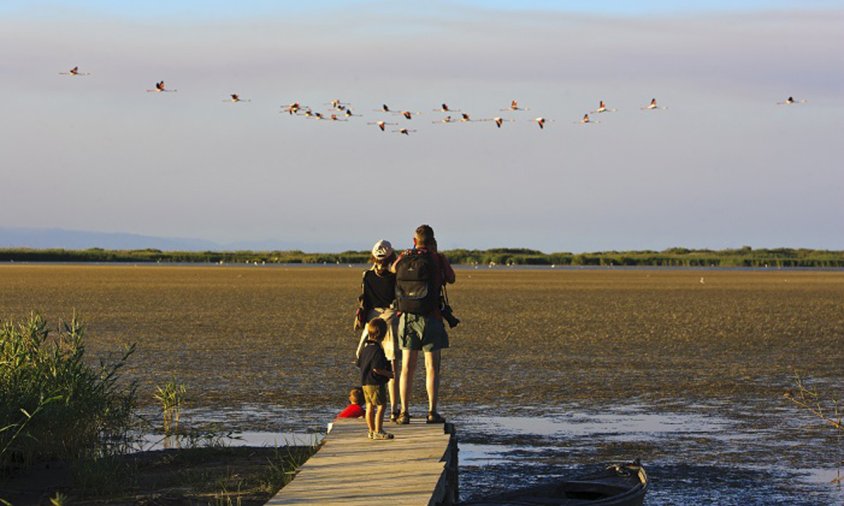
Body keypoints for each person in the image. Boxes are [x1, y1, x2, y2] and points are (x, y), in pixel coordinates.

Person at [391, 224, 456, 425]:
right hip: (432, 317)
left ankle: (404, 412)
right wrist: (438, 256)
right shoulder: (437, 259)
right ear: (432, 240)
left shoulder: (404, 256)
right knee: (432, 368)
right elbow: (451, 278)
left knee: (406, 368)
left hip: (407, 317)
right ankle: (431, 411)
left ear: (414, 240)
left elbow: (393, 270)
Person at [354, 240, 401, 421]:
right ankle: (394, 409)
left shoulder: (366, 275)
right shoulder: (395, 276)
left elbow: (364, 301)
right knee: (392, 366)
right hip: (390, 319)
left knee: (369, 362)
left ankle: (372, 407)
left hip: (372, 321)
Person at [356, 318, 395, 440]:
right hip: (375, 383)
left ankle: (371, 430)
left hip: (365, 382)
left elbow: (359, 364)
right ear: (382, 335)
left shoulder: (365, 349)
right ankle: (378, 430)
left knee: (369, 406)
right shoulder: (377, 350)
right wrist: (389, 374)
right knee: (381, 406)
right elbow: (377, 369)